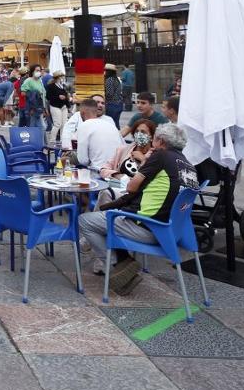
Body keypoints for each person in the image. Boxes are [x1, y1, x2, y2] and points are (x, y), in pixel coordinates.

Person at [78, 122, 198, 292]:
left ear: (161, 141)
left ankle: (117, 266)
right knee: (107, 217)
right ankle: (123, 260)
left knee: (85, 221)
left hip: (148, 227)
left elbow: (131, 187)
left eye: (154, 138)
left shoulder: (161, 156)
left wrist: (146, 160)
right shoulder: (189, 167)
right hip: (173, 231)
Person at [74, 98, 121, 173]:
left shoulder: (84, 126)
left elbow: (83, 161)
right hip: (116, 171)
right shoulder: (110, 124)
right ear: (96, 111)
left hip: (99, 172)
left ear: (82, 113)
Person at [46, 71, 71, 145]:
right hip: (55, 106)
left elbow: (66, 96)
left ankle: (63, 141)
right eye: (62, 76)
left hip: (64, 106)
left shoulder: (62, 85)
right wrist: (58, 97)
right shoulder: (51, 86)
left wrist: (68, 105)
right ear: (58, 77)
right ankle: (52, 141)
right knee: (57, 124)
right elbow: (48, 97)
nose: (63, 77)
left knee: (64, 124)